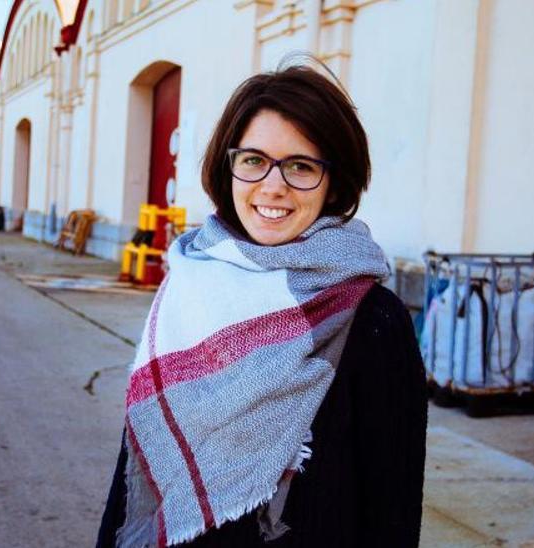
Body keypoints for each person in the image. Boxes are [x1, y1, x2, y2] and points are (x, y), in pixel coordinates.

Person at [97, 62, 428, 547]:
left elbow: (391, 510)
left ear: (334, 183)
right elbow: (140, 458)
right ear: (227, 165)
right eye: (253, 160)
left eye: (301, 166)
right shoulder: (187, 287)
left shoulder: (373, 318)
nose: (273, 186)